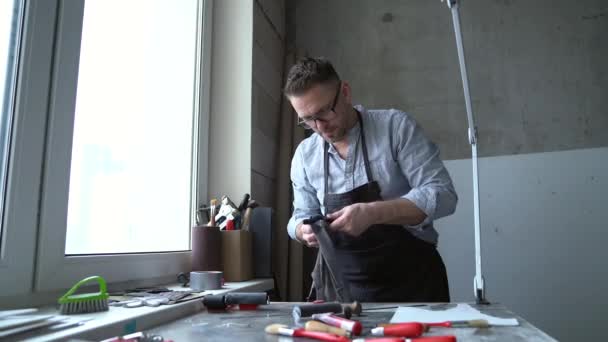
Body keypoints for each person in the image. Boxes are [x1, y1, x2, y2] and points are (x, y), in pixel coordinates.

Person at [285, 57, 458, 303]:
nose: (320, 126)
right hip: (342, 293)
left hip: (413, 286)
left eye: (324, 111)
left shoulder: (395, 128)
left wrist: (374, 213)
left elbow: (443, 195)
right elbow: (299, 216)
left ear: (345, 92)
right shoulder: (305, 155)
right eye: (308, 119)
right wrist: (302, 231)